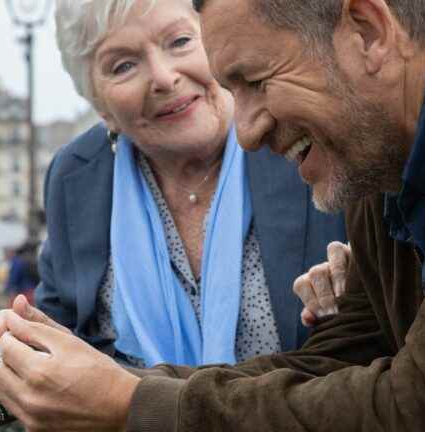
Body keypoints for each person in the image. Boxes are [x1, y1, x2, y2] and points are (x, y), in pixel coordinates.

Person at [0, 0, 425, 430]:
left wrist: (130, 404)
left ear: (368, 29)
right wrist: (102, 384)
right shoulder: (379, 144)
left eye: (256, 82)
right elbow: (337, 364)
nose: (247, 131)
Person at [30, 0, 347, 368]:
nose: (164, 77)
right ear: (101, 108)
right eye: (124, 65)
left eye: (179, 42)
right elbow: (61, 333)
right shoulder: (76, 176)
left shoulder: (297, 132)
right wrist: (25, 351)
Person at [3, 241, 39, 307]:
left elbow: (13, 278)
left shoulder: (17, 261)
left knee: (16, 314)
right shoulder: (32, 260)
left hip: (21, 293)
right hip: (32, 292)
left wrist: (7, 289)